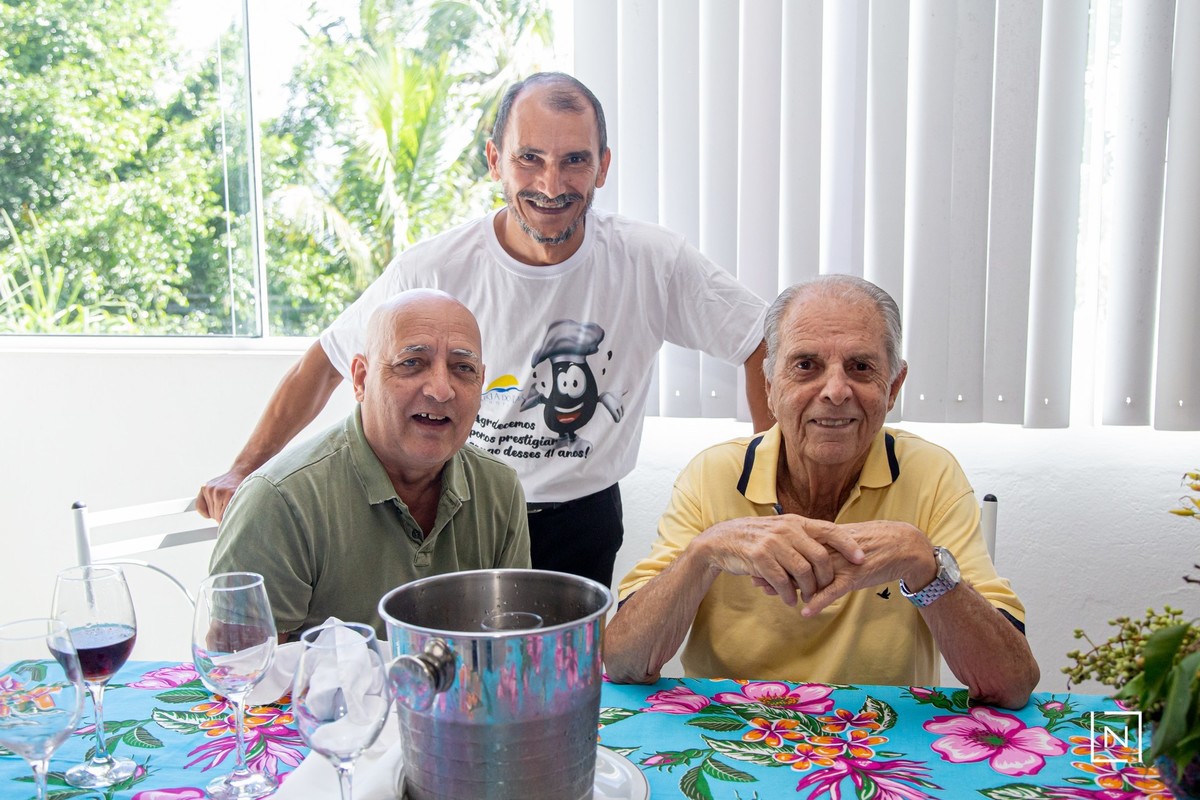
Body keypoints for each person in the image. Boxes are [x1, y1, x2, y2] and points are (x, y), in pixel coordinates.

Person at [197, 71, 772, 588]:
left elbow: (760, 338)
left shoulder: (652, 260)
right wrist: (245, 468)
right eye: (530, 158)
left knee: (562, 672)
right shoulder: (433, 267)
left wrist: (767, 483)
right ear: (495, 161)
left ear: (603, 165)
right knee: (449, 663)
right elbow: (326, 362)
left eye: (574, 160)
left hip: (581, 518)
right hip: (459, 510)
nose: (551, 184)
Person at [603, 275, 1040, 709]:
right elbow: (623, 661)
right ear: (770, 386)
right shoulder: (712, 474)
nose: (835, 391)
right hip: (734, 727)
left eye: (861, 367)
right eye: (806, 365)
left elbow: (1011, 683)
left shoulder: (932, 474)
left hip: (884, 734)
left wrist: (924, 563)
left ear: (893, 387)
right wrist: (704, 553)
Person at [208, 289, 530, 640]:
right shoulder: (280, 501)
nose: (441, 390)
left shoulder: (498, 488)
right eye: (412, 363)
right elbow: (239, 665)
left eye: (463, 368)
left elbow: (511, 646)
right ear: (361, 379)